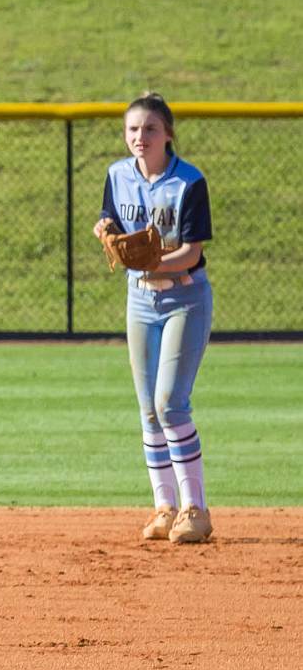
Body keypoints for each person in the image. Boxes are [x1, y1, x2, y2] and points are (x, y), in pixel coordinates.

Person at [94, 92, 214, 543]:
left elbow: (191, 252)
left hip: (185, 298)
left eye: (149, 129)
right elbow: (108, 220)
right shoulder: (117, 175)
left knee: (170, 404)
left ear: (167, 134)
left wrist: (148, 262)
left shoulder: (188, 183)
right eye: (132, 130)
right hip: (140, 300)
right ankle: (164, 508)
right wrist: (105, 231)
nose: (140, 137)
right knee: (148, 409)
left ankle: (195, 510)